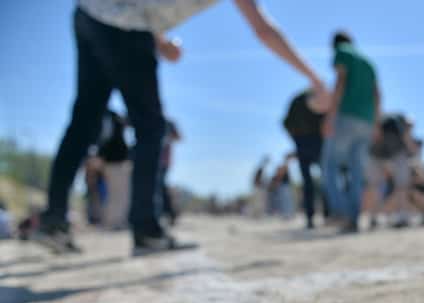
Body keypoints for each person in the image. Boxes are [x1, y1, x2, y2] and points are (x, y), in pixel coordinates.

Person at [32, 0, 324, 255]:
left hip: (90, 13)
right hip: (125, 25)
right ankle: (147, 229)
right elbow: (264, 30)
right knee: (150, 127)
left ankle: (54, 220)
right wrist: (315, 80)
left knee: (84, 122)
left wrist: (158, 38)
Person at [322, 31, 380, 234]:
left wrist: (330, 115)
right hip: (367, 120)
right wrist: (376, 123)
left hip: (346, 116)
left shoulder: (342, 52)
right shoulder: (369, 63)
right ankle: (354, 218)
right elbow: (377, 94)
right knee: (357, 171)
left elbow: (340, 82)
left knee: (330, 165)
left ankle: (341, 211)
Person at [283, 89, 331, 229]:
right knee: (323, 180)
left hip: (303, 144)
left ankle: (311, 218)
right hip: (316, 144)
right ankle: (325, 215)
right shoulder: (318, 100)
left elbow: (286, 123)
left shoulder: (297, 101)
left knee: (309, 182)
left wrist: (296, 140)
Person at [159, 119, 181, 225]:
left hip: (163, 162)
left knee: (161, 187)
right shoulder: (153, 119)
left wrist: (167, 138)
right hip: (152, 162)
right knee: (158, 188)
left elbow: (178, 137)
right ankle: (166, 213)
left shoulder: (168, 123)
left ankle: (170, 213)